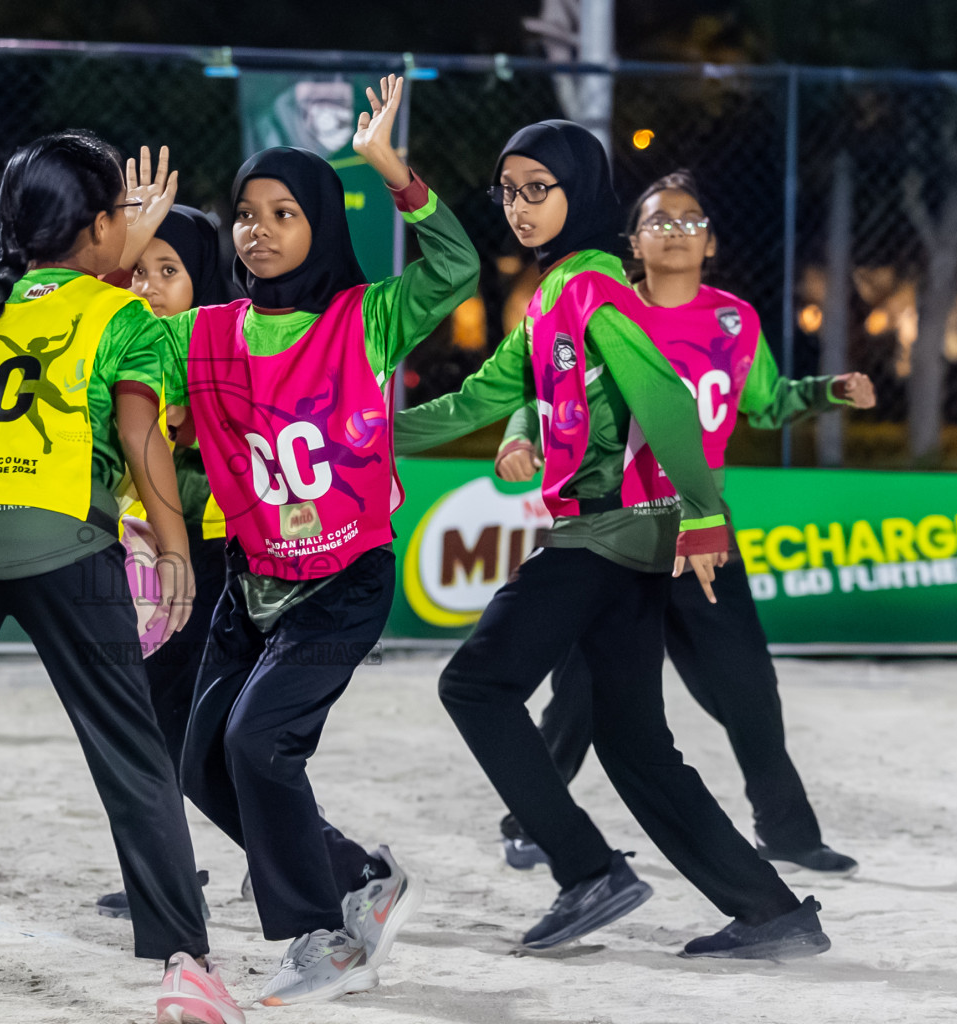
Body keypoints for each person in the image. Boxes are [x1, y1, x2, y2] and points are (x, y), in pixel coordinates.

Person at [395, 120, 831, 960]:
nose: (519, 206)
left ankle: (586, 870)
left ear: (582, 192)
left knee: (475, 686)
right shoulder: (552, 294)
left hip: (605, 528)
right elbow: (476, 401)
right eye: (508, 191)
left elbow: (663, 395)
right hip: (618, 536)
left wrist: (703, 514)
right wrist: (360, 433)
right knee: (634, 743)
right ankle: (772, 913)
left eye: (538, 189)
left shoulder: (592, 282)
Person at [0, 131, 245, 1024]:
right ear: (100, 227)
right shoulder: (124, 318)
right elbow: (142, 438)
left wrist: (116, 249)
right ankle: (186, 967)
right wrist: (175, 548)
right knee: (133, 753)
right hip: (59, 536)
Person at [162, 76, 474, 1005]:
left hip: (343, 580)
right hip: (252, 582)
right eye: (245, 215)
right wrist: (133, 250)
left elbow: (456, 269)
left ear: (322, 225)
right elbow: (122, 341)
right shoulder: (207, 333)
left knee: (260, 744)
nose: (257, 230)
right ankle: (358, 878)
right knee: (201, 763)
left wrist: (395, 173)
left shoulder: (364, 319)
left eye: (283, 213)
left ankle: (324, 937)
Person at [493, 170, 872, 878]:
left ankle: (787, 831)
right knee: (580, 694)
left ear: (712, 243)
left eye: (690, 220)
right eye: (658, 221)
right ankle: (530, 824)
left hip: (702, 532)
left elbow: (767, 402)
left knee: (749, 685)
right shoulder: (600, 307)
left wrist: (829, 391)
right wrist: (520, 437)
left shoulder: (735, 320)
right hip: (615, 528)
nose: (675, 231)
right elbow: (542, 386)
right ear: (633, 243)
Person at [93, 205, 235, 922]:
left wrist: (184, 425)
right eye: (139, 271)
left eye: (168, 271)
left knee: (178, 723)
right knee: (158, 718)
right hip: (152, 554)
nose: (148, 286)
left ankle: (304, 855)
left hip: (215, 555)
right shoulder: (130, 349)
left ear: (202, 279)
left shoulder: (224, 352)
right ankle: (169, 874)